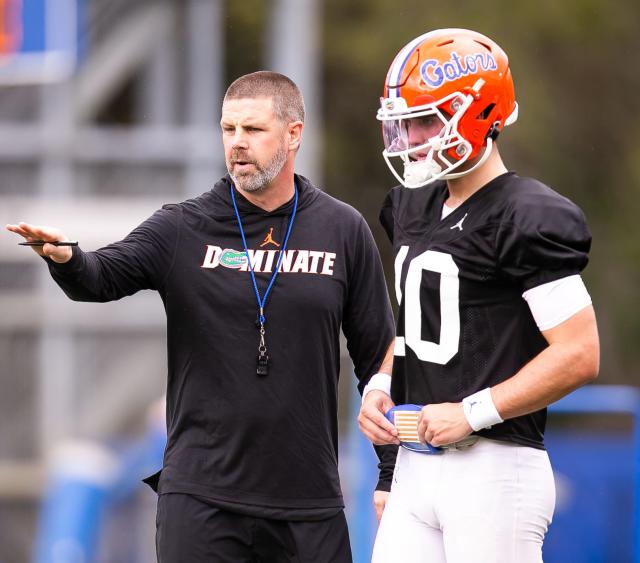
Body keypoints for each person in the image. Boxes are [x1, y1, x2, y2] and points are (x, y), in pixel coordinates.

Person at [7, 71, 395, 563]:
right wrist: (67, 258)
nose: (237, 143)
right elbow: (101, 278)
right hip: (202, 499)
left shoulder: (343, 229)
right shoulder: (183, 226)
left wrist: (389, 471)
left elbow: (377, 357)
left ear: (294, 134)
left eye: (253, 130)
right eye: (227, 129)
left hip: (308, 504)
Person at [357, 28, 600, 563]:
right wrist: (379, 385)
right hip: (417, 462)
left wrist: (473, 411)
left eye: (427, 118)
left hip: (494, 466)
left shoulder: (527, 216)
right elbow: (419, 326)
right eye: (405, 121)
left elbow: (579, 354)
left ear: (479, 113)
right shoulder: (410, 207)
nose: (412, 136)